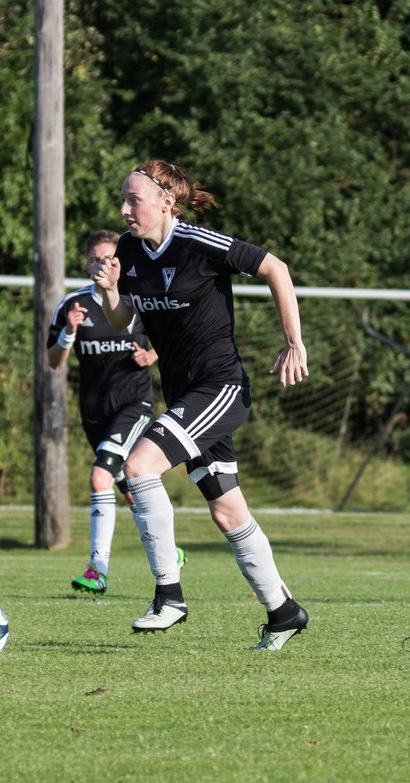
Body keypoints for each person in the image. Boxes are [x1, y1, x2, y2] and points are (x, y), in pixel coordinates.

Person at [91, 159, 311, 650]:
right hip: (186, 395)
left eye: (135, 200)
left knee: (139, 466)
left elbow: (276, 267)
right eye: (123, 199)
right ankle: (283, 611)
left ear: (167, 202)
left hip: (220, 388)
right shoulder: (129, 250)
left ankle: (169, 595)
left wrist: (294, 341)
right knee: (227, 511)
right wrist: (109, 292)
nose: (125, 209)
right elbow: (122, 317)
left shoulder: (197, 243)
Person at [46, 229, 186, 595]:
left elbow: (173, 337)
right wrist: (69, 334)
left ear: (119, 264)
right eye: (95, 258)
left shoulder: (136, 300)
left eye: (109, 258)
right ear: (87, 262)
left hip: (133, 404)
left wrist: (152, 355)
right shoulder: (73, 305)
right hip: (94, 412)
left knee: (99, 478)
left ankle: (98, 568)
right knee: (131, 491)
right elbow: (53, 361)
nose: (102, 264)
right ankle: (170, 551)